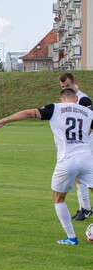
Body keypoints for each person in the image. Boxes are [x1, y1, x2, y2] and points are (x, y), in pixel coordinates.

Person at [0, 88, 93, 245]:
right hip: (87, 158)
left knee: (58, 198)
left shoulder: (55, 108)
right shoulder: (87, 111)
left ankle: (71, 238)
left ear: (62, 98)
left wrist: (3, 120)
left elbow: (30, 113)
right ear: (76, 99)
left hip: (67, 160)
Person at [59, 73, 93, 221]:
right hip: (76, 143)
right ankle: (85, 208)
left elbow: (91, 121)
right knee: (78, 176)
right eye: (62, 87)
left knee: (83, 175)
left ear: (74, 84)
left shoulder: (84, 100)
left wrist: (84, 137)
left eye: (67, 85)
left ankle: (85, 208)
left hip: (86, 142)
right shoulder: (67, 100)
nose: (65, 88)